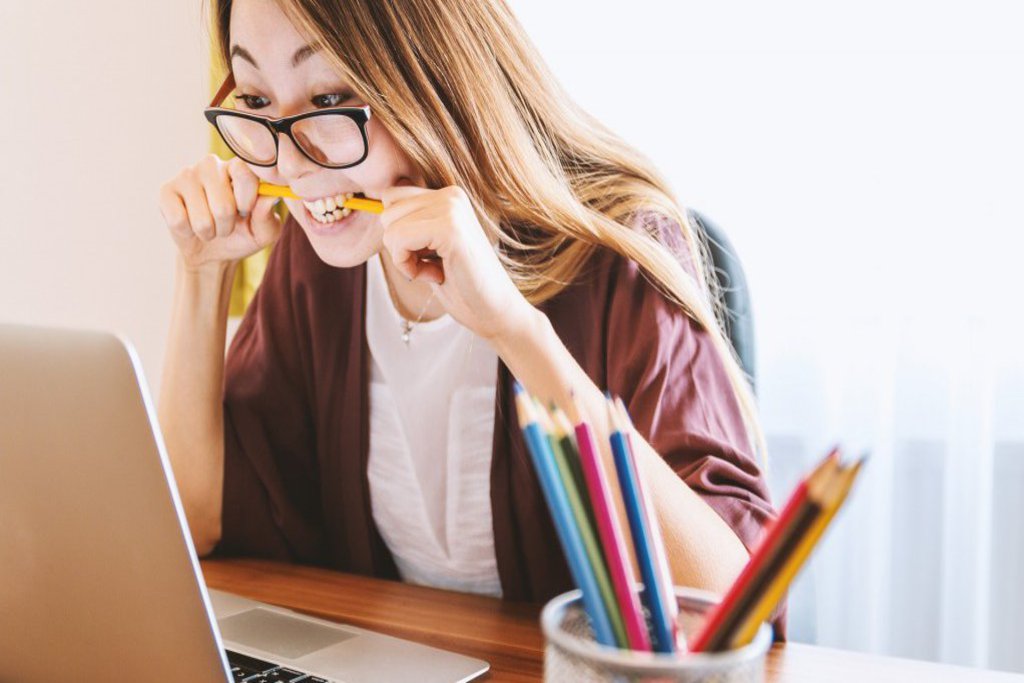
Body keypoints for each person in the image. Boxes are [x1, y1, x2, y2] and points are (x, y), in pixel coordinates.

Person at [157, 0, 781, 630]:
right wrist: (203, 274)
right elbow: (199, 519)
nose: (289, 164)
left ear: (432, 78)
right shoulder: (318, 261)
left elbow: (733, 606)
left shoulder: (618, 252)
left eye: (328, 99)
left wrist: (512, 328)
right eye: (259, 101)